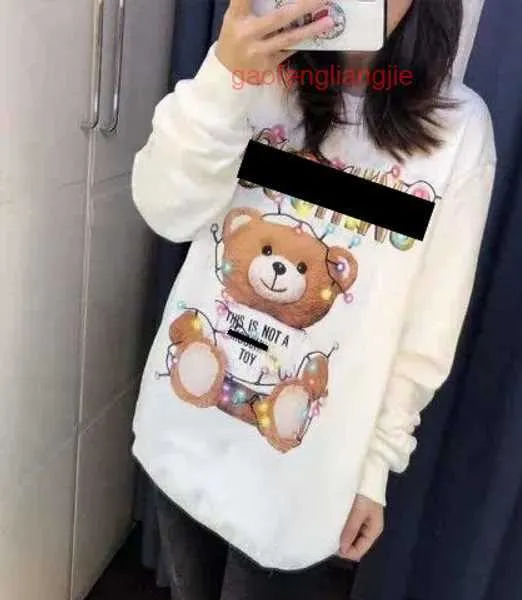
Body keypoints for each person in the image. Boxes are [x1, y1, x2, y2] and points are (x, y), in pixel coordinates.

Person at [130, 0, 497, 597]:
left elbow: (429, 328)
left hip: (302, 480)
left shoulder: (456, 130)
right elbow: (165, 210)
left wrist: (376, 468)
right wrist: (226, 73)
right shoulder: (253, 73)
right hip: (187, 427)